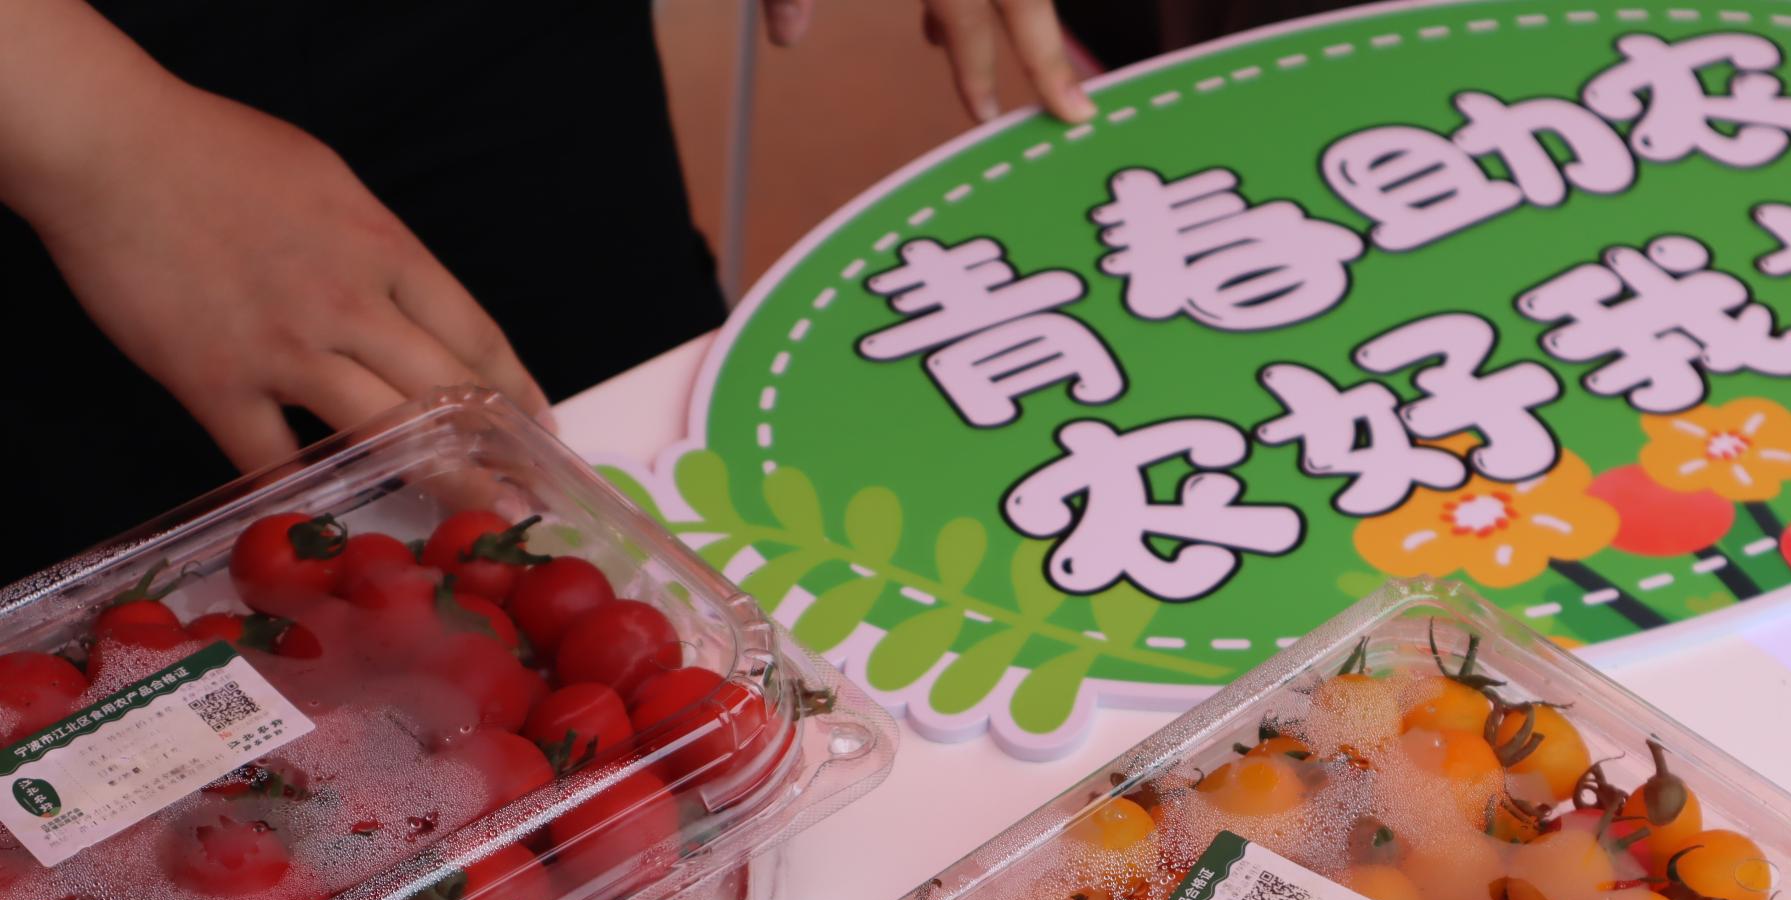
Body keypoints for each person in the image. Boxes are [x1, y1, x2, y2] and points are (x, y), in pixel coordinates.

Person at [0, 0, 1091, 583]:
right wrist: (97, 139)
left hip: (517, 53)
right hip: (62, 133)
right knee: (137, 659)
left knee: (648, 523)